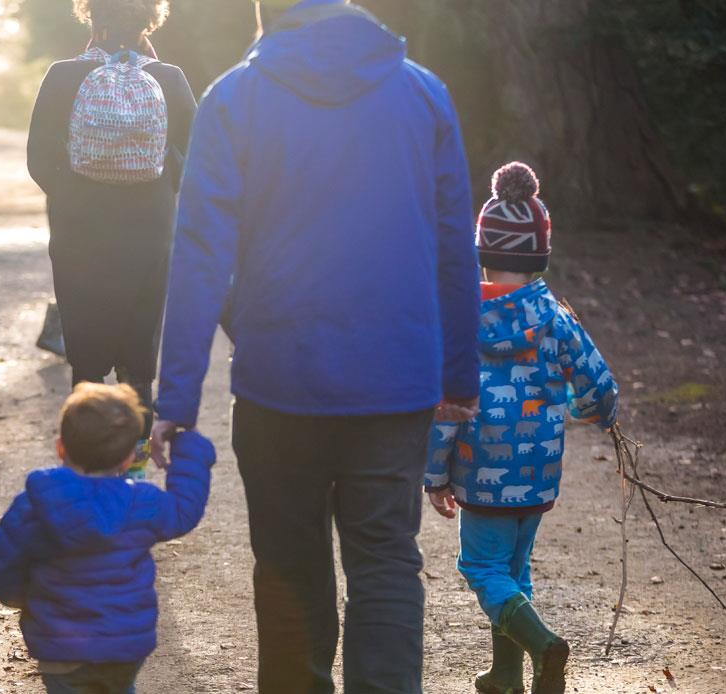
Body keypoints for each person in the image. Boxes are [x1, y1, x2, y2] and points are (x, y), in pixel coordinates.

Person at [149, 0, 482, 690]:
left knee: (289, 562)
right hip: (396, 384)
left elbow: (200, 252)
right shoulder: (422, 93)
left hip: (280, 383)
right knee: (386, 558)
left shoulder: (234, 97)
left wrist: (176, 398)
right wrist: (458, 375)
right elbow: (454, 246)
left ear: (267, 13)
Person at [424, 162, 619, 694]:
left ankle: (542, 645)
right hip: (536, 474)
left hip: (481, 474)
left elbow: (446, 409)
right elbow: (600, 387)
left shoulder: (459, 322)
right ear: (540, 254)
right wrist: (595, 415)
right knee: (514, 565)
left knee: (482, 566)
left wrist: (434, 476)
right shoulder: (555, 316)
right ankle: (508, 674)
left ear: (481, 250)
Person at [27, 0, 198, 479]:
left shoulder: (63, 76)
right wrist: (161, 185)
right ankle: (136, 473)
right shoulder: (170, 78)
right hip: (148, 230)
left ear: (91, 17)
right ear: (149, 21)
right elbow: (196, 152)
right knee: (139, 362)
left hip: (80, 233)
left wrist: (72, 191)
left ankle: (89, 470)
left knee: (85, 360)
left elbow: (38, 157)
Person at [0, 383, 215, 694]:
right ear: (128, 458)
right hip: (125, 645)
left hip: (61, 647)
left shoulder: (36, 504)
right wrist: (188, 443)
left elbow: (3, 564)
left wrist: (22, 600)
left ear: (61, 448)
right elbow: (184, 510)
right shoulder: (141, 503)